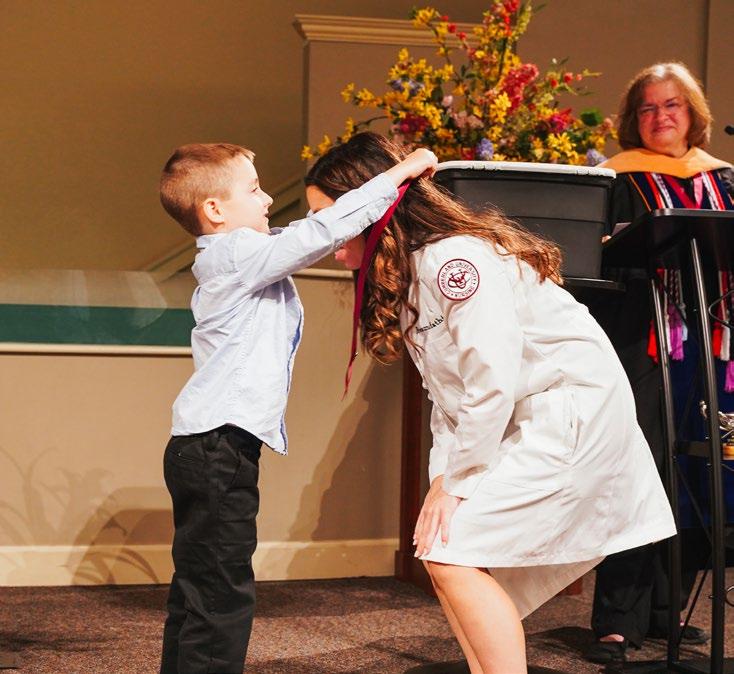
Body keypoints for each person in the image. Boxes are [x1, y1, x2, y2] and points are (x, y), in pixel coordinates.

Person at [304, 131, 677, 674]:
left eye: (331, 219)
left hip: (569, 414)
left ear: (373, 208)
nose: (328, 240)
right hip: (521, 419)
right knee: (443, 549)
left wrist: (457, 483)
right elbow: (446, 397)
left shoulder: (454, 260)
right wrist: (443, 480)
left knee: (450, 552)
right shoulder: (410, 275)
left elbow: (491, 382)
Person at [157, 141, 438, 673]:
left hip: (203, 446)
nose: (268, 199)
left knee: (199, 586)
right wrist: (402, 171)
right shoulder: (237, 255)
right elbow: (322, 232)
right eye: (254, 189)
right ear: (214, 210)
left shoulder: (236, 256)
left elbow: (310, 228)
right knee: (221, 594)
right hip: (218, 448)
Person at [584, 62, 734, 664]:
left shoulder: (722, 179)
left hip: (709, 344)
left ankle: (667, 610)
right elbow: (600, 259)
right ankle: (618, 617)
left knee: (697, 468)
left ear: (693, 114)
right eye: (647, 107)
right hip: (641, 341)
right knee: (638, 468)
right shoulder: (615, 178)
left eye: (672, 105)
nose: (660, 116)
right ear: (632, 118)